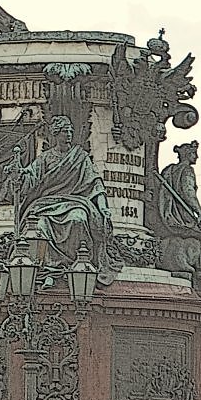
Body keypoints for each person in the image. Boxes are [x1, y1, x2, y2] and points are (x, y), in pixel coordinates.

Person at [15, 115, 118, 288]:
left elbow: (95, 182)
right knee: (39, 227)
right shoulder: (45, 158)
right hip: (47, 204)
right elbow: (30, 177)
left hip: (75, 202)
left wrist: (103, 207)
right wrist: (18, 175)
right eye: (64, 132)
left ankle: (77, 265)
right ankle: (47, 268)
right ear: (56, 134)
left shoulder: (80, 157)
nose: (69, 135)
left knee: (78, 219)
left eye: (70, 131)